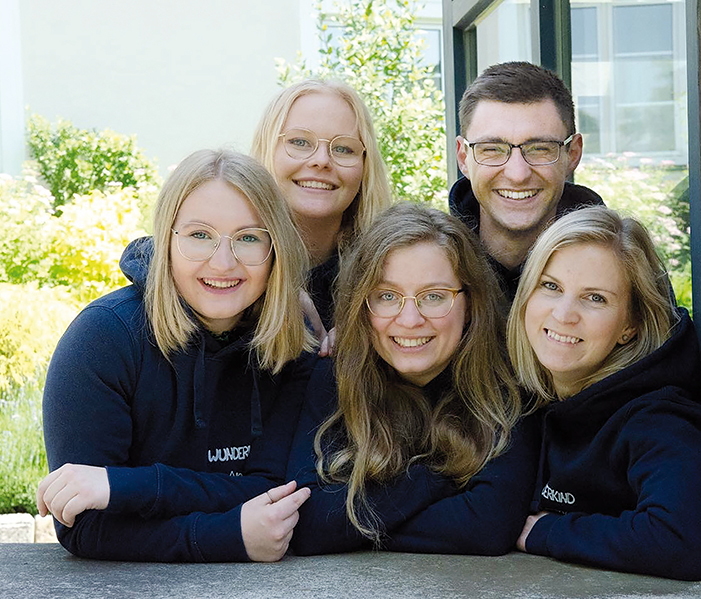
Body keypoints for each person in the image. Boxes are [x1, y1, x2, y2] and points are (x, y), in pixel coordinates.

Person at [38, 150, 316, 562]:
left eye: (249, 237)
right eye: (199, 235)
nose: (223, 263)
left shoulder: (293, 341)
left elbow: (284, 492)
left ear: (276, 249)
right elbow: (85, 525)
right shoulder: (103, 340)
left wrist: (124, 487)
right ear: (166, 239)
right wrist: (225, 534)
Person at [286, 203, 536, 556]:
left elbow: (488, 526)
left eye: (434, 296)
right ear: (362, 302)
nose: (409, 319)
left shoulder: (508, 384)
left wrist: (352, 524)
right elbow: (311, 523)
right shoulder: (334, 375)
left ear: (471, 302)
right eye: (387, 296)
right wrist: (445, 477)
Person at [506, 206, 701, 580]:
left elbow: (686, 540)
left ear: (630, 326)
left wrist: (550, 531)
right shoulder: (527, 396)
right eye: (551, 286)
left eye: (595, 298)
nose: (563, 314)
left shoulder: (658, 418)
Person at [450, 61, 603, 303]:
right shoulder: (434, 271)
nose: (517, 174)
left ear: (572, 154)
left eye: (540, 148)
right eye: (492, 149)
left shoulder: (623, 270)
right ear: (463, 157)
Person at [251, 79, 393, 334]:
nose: (321, 161)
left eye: (343, 148)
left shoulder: (393, 274)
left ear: (365, 166)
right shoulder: (224, 269)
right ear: (267, 150)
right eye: (300, 142)